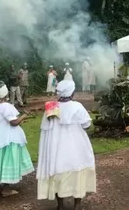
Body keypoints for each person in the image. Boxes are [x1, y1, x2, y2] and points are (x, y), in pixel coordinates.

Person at [37, 80, 96, 210]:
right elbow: (86, 125)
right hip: (75, 145)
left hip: (56, 146)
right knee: (78, 172)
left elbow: (45, 128)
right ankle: (77, 205)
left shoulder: (51, 106)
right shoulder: (77, 106)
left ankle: (60, 205)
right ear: (72, 93)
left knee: (58, 173)